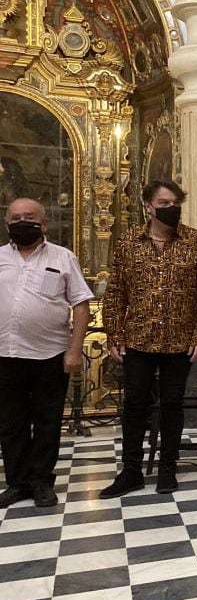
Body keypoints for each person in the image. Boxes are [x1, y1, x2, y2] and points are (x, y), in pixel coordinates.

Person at [100, 180, 197, 497]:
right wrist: (114, 331)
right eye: (164, 203)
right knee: (135, 404)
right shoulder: (128, 243)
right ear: (148, 207)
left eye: (176, 202)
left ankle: (168, 469)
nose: (171, 208)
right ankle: (132, 471)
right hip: (138, 337)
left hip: (180, 340)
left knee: (172, 404)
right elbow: (116, 292)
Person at [0, 199, 92, 509]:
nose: (22, 221)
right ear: (6, 224)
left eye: (30, 217)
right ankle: (17, 482)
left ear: (44, 224)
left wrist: (75, 350)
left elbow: (81, 305)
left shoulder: (63, 258)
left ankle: (41, 481)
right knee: (10, 422)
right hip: (5, 354)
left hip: (50, 354)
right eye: (16, 218)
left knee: (47, 420)